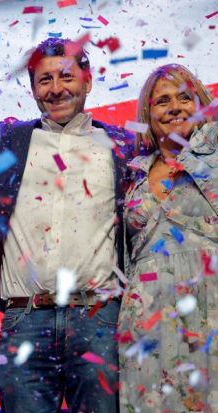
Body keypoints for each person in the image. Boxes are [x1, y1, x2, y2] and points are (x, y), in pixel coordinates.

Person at [0, 37, 134, 412]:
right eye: (44, 80)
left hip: (99, 320)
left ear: (87, 81)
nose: (56, 89)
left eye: (66, 76)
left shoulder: (125, 146)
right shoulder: (7, 143)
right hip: (25, 319)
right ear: (33, 89)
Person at [118, 64, 217, 412]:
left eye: (185, 97)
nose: (174, 106)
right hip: (147, 319)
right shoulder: (134, 173)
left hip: (210, 312)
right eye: (162, 100)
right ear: (148, 112)